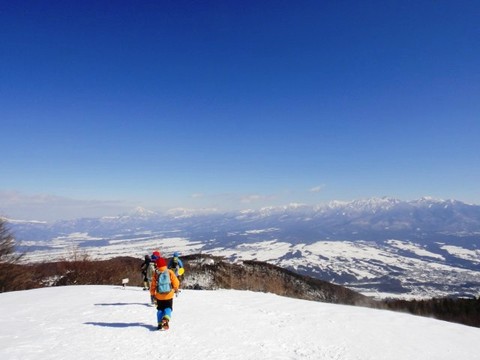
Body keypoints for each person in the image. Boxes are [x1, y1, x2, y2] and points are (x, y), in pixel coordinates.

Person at [150, 257, 180, 330]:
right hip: (169, 295)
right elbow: (176, 282)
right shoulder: (169, 272)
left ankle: (160, 323)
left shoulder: (156, 273)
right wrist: (176, 288)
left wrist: (152, 294)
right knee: (168, 308)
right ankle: (166, 317)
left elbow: (152, 285)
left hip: (159, 296)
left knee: (160, 309)